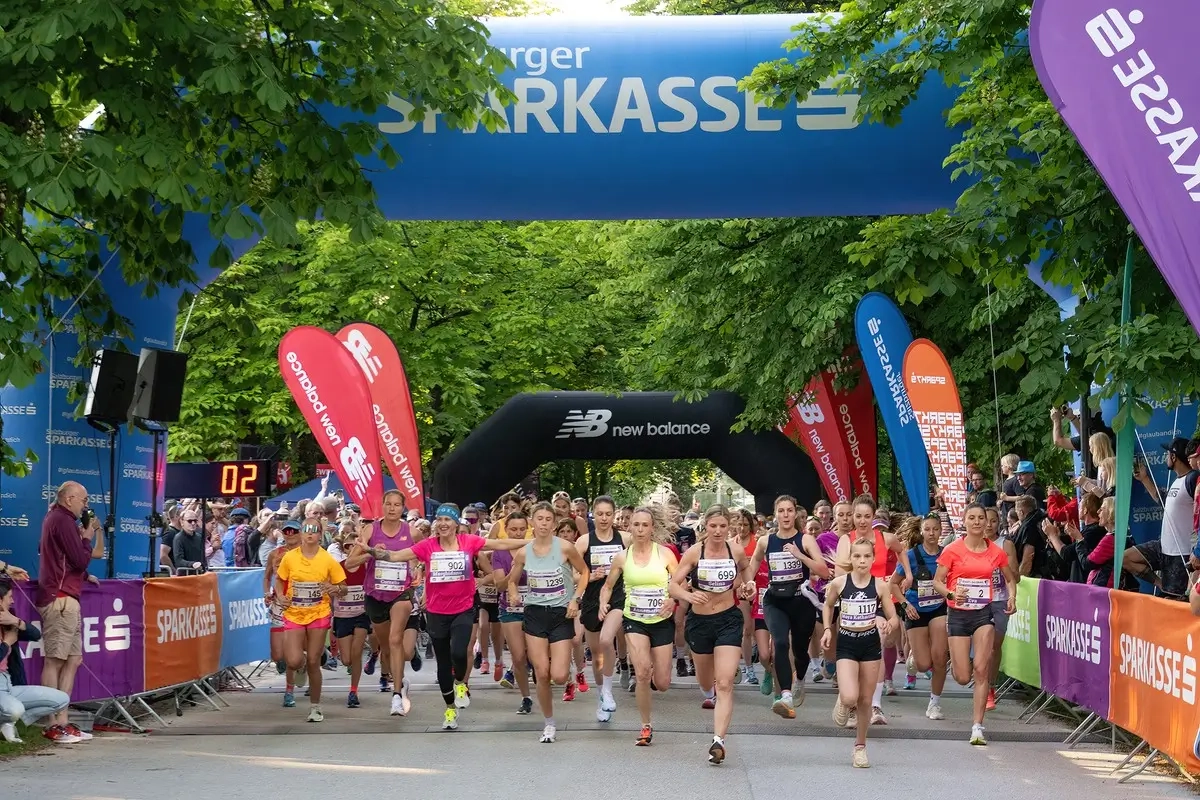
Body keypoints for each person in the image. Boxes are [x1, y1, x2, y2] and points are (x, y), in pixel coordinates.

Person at [359, 503, 525, 730]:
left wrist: (534, 542)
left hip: (463, 608)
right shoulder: (428, 546)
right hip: (437, 612)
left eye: (448, 520)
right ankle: (449, 710)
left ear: (456, 524)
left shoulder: (468, 542)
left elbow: (500, 543)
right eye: (440, 520)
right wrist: (371, 551)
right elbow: (396, 556)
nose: (443, 524)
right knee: (443, 664)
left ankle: (460, 683)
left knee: (459, 652)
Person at [671, 504, 753, 764]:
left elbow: (746, 570)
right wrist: (687, 594)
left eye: (723, 526)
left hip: (728, 619)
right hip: (700, 622)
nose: (718, 531)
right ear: (705, 526)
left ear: (730, 527)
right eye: (713, 526)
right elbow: (673, 584)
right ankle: (709, 693)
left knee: (725, 682)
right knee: (707, 682)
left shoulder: (735, 550)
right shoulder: (695, 553)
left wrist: (748, 585)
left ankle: (718, 741)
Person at [740, 495, 831, 719]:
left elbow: (823, 571)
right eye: (781, 511)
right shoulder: (765, 541)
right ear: (776, 514)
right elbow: (751, 567)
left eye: (790, 510)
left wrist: (799, 555)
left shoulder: (806, 540)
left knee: (800, 650)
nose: (786, 515)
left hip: (801, 601)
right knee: (779, 643)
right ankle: (786, 695)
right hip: (775, 600)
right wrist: (749, 583)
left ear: (795, 513)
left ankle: (800, 678)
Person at [506, 502, 590, 742]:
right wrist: (513, 592)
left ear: (554, 524)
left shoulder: (565, 548)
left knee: (560, 675)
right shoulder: (524, 551)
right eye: (539, 519)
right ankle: (549, 723)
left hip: (561, 614)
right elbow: (512, 580)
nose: (543, 523)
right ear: (532, 522)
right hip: (534, 613)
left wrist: (575, 599)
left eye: (547, 519)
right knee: (542, 673)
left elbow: (584, 573)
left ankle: (569, 672)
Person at [934, 503, 1016, 745]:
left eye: (982, 518)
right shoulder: (952, 550)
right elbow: (938, 581)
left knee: (981, 669)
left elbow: (1010, 579)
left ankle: (977, 727)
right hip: (958, 615)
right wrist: (950, 594)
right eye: (972, 518)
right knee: (962, 676)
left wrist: (1012, 596)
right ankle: (957, 664)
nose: (978, 522)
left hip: (983, 613)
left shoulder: (995, 552)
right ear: (965, 521)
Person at [600, 507, 679, 746]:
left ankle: (656, 677)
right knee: (643, 672)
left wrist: (672, 599)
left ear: (652, 528)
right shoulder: (622, 557)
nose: (641, 529)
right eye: (636, 525)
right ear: (629, 527)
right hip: (634, 620)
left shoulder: (664, 554)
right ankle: (646, 726)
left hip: (662, 621)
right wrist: (604, 601)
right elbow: (608, 585)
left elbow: (679, 582)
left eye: (645, 525)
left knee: (663, 683)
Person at [824, 538, 899, 768]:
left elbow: (893, 616)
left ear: (873, 558)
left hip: (870, 646)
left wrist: (890, 624)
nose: (862, 560)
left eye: (867, 556)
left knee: (865, 700)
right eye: (857, 556)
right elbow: (828, 606)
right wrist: (827, 628)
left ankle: (860, 747)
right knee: (850, 696)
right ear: (851, 559)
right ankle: (844, 701)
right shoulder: (839, 583)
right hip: (847, 644)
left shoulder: (880, 586)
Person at [35, 481, 101, 740]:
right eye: (84, 501)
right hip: (59, 598)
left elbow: (63, 559)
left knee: (73, 659)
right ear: (70, 498)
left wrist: (84, 576)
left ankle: (62, 719)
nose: (86, 506)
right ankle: (52, 722)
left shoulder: (58, 520)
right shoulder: (61, 520)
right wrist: (86, 537)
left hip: (67, 596)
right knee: (55, 659)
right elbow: (79, 557)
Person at [345, 490, 418, 710]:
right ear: (383, 506)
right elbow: (350, 564)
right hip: (375, 595)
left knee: (396, 640)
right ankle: (400, 681)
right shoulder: (370, 530)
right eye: (388, 504)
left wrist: (419, 568)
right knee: (387, 647)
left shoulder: (412, 531)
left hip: (401, 593)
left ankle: (396, 696)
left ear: (403, 508)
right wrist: (371, 553)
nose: (393, 508)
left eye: (397, 505)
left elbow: (427, 552)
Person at [275, 520, 348, 723]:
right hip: (294, 613)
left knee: (315, 661)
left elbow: (343, 587)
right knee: (292, 660)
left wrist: (335, 589)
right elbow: (280, 580)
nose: (309, 534)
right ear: (301, 534)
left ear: (320, 534)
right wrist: (280, 595)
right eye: (306, 530)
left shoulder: (328, 559)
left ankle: (315, 707)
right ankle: (302, 663)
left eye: (314, 531)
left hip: (319, 613)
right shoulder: (290, 557)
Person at [0, 574, 77, 744]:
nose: (12, 602)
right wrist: (7, 643)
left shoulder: (6, 620)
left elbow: (35, 635)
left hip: (8, 683)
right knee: (15, 708)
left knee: (62, 699)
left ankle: (9, 721)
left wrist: (17, 621)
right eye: (9, 598)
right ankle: (9, 716)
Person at [1124, 438, 1199, 600]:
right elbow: (1162, 500)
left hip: (1182, 554)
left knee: (1177, 602)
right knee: (1126, 558)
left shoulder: (1193, 478)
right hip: (1163, 547)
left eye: (1167, 454)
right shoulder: (1178, 480)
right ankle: (1160, 584)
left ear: (1173, 457)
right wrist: (1144, 479)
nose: (1165, 457)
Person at [575, 495, 629, 722]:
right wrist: (589, 575)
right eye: (600, 514)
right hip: (591, 600)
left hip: (617, 597)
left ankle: (608, 690)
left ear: (614, 514)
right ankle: (601, 696)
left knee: (608, 640)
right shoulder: (584, 542)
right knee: (597, 654)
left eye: (608, 514)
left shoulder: (625, 539)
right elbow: (574, 574)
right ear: (593, 515)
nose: (604, 518)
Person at [892, 513, 948, 720]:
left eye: (935, 529)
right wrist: (906, 605)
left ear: (941, 531)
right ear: (922, 532)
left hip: (938, 609)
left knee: (940, 657)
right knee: (924, 664)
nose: (931, 533)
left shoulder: (947, 554)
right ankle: (915, 659)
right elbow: (893, 584)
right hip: (915, 610)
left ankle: (935, 703)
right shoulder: (912, 555)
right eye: (927, 529)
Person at [491, 511, 534, 713]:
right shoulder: (499, 553)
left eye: (521, 529)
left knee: (534, 655)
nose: (517, 533)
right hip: (509, 609)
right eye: (513, 529)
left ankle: (539, 681)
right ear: (505, 530)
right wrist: (515, 570)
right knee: (518, 656)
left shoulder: (534, 550)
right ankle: (526, 697)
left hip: (534, 608)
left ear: (527, 530)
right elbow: (499, 585)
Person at [330, 524, 370, 709]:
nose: (352, 549)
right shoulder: (337, 567)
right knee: (347, 659)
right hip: (342, 616)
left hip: (361, 614)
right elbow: (329, 589)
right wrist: (334, 591)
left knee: (356, 653)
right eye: (348, 546)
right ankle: (344, 660)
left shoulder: (367, 567)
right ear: (344, 549)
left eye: (356, 545)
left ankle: (353, 691)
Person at [265, 519, 303, 706]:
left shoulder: (307, 553)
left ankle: (289, 691)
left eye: (293, 531)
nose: (290, 535)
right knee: (277, 656)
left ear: (300, 533)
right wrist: (267, 593)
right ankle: (303, 660)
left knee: (289, 657)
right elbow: (267, 577)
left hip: (299, 606)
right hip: (278, 605)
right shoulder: (274, 554)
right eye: (286, 531)